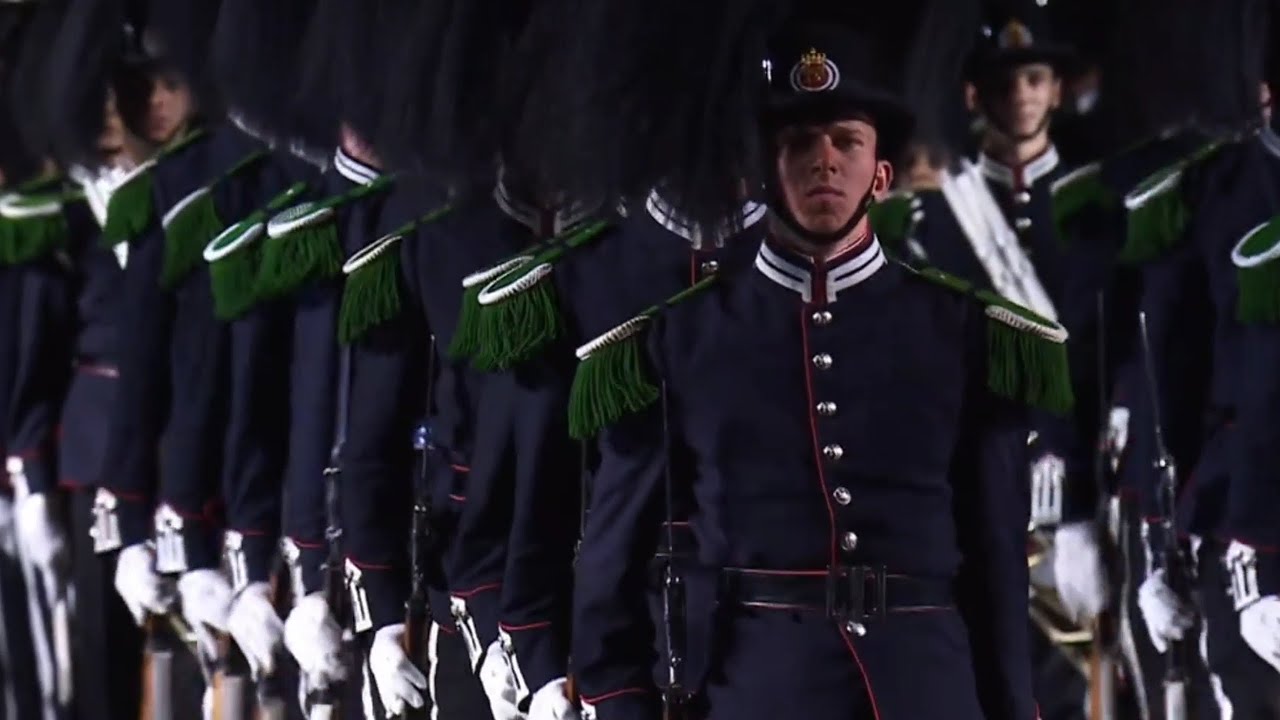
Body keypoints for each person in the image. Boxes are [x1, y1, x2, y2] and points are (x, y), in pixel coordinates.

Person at [570, 17, 1060, 720]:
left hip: (927, 686)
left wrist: (1012, 705)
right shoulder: (679, 339)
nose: (823, 161)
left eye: (846, 141)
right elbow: (612, 557)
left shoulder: (962, 333)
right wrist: (622, 704)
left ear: (881, 174)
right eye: (798, 142)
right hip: (754, 687)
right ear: (763, 173)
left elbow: (995, 554)